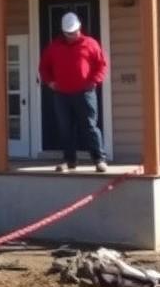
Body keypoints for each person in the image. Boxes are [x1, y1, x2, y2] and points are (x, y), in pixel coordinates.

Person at [39, 12, 108, 172]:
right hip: (61, 94)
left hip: (85, 93)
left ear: (79, 28)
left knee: (90, 126)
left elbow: (101, 65)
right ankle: (69, 160)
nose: (72, 35)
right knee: (65, 128)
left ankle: (99, 159)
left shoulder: (91, 44)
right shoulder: (54, 47)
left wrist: (94, 81)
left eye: (74, 32)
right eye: (68, 33)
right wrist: (50, 82)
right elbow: (44, 67)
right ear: (63, 32)